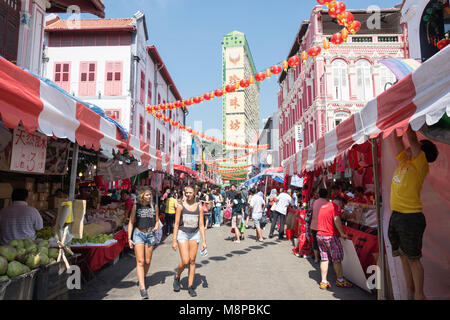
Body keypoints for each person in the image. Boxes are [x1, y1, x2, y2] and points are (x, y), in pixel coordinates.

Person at [388, 125, 438, 300]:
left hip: (410, 217)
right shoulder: (404, 162)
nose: (408, 147)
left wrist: (406, 119)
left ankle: (419, 295)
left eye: (414, 147)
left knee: (413, 259)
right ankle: (410, 292)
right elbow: (396, 139)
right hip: (397, 216)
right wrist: (393, 123)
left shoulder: (420, 165)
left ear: (422, 153)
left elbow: (411, 137)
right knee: (403, 257)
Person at [172, 185, 207, 297]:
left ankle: (190, 286)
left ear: (194, 194)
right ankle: (177, 276)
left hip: (194, 234)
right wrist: (174, 240)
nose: (188, 194)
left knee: (192, 260)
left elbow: (201, 225)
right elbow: (176, 224)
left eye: (190, 193)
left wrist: (204, 241)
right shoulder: (181, 206)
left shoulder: (199, 207)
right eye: (186, 192)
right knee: (185, 260)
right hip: (183, 234)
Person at [127, 187, 159, 299]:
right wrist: (129, 238)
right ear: (142, 196)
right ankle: (142, 287)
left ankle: (143, 276)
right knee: (140, 261)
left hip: (150, 234)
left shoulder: (154, 206)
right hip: (138, 234)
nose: (149, 197)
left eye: (150, 195)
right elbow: (131, 222)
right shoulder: (136, 206)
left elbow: (157, 221)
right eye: (147, 195)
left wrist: (156, 227)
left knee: (148, 260)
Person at [316, 196, 352, 290]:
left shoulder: (324, 206)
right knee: (337, 259)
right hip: (330, 235)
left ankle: (323, 281)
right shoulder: (335, 206)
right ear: (340, 202)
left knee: (324, 258)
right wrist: (342, 233)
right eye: (342, 205)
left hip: (320, 234)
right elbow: (336, 219)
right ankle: (340, 280)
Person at [310, 188, 330, 264]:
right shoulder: (328, 203)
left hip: (314, 225)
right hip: (324, 226)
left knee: (315, 241)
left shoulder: (314, 202)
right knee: (323, 242)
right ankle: (323, 257)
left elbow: (311, 210)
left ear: (319, 194)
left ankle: (316, 258)